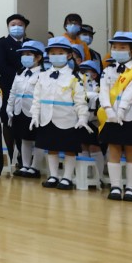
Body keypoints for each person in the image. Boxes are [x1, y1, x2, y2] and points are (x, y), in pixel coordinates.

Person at [30, 38, 89, 191]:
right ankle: (53, 175)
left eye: (60, 53)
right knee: (51, 147)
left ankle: (67, 177)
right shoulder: (42, 75)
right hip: (47, 117)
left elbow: (80, 100)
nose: (56, 56)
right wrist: (35, 115)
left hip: (68, 118)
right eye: (53, 53)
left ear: (69, 55)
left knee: (69, 148)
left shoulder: (75, 77)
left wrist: (82, 117)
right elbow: (37, 98)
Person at [98, 31, 132, 201]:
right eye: (114, 47)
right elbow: (103, 91)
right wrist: (108, 109)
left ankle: (130, 188)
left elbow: (131, 93)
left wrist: (120, 110)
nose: (117, 50)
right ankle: (115, 186)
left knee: (131, 150)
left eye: (122, 47)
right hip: (111, 114)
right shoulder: (107, 70)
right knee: (113, 148)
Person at [0, 13, 29, 161]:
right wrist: (19, 76)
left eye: (20, 25)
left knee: (24, 119)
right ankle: (11, 154)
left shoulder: (30, 43)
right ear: (8, 27)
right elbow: (1, 65)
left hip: (29, 87)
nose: (16, 27)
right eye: (13, 24)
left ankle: (24, 156)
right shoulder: (1, 43)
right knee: (7, 120)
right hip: (8, 86)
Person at [7, 40, 45, 178]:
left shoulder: (43, 74)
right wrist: (9, 107)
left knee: (38, 139)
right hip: (19, 110)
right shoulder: (20, 73)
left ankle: (35, 167)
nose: (25, 57)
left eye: (29, 54)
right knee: (24, 139)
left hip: (35, 112)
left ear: (38, 57)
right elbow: (13, 91)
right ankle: (25, 165)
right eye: (23, 54)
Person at [77, 59, 105, 187]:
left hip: (94, 121)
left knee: (94, 147)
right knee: (83, 146)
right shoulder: (77, 85)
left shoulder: (100, 87)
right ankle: (86, 176)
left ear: (94, 74)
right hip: (81, 120)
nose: (82, 73)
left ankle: (98, 176)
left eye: (85, 71)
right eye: (81, 71)